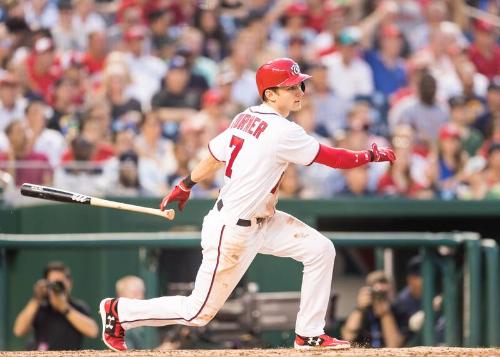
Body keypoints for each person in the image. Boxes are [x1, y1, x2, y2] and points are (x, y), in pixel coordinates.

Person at [99, 57, 395, 351]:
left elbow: (216, 155)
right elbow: (333, 158)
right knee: (197, 312)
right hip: (233, 230)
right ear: (270, 94)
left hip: (263, 220)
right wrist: (371, 155)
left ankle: (309, 334)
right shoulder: (282, 130)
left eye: (299, 85)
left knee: (320, 250)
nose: (299, 91)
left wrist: (185, 184)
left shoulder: (246, 116)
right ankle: (120, 312)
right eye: (291, 87)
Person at [13, 261, 98, 350]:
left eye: (60, 283)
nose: (57, 287)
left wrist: (65, 309)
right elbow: (18, 331)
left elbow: (93, 331)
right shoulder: (40, 307)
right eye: (53, 283)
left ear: (69, 283)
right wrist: (36, 299)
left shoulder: (78, 307)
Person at [341, 271, 404, 348]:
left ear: (392, 291)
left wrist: (385, 315)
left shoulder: (399, 311)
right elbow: (347, 338)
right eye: (376, 293)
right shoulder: (363, 312)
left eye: (383, 293)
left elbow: (395, 346)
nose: (379, 297)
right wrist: (360, 308)